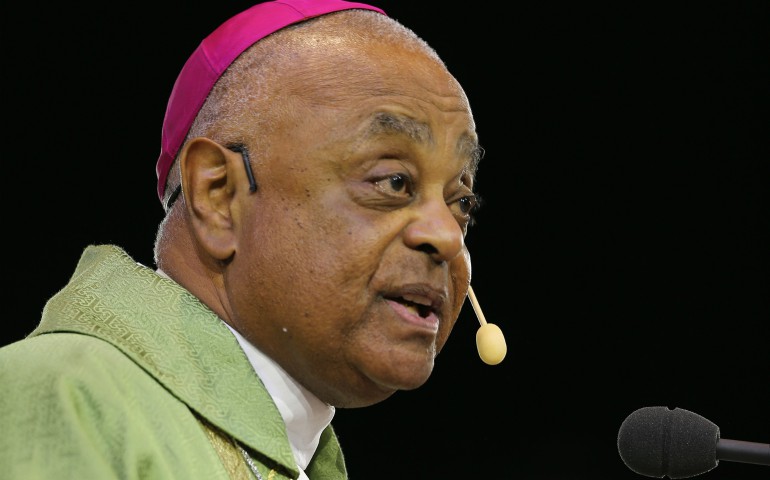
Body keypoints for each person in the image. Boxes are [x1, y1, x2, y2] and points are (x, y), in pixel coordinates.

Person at [0, 0, 495, 478]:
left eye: (462, 203)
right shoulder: (65, 396)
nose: (447, 238)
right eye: (393, 182)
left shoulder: (296, 449)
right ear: (219, 197)